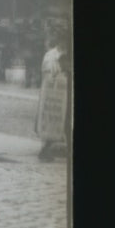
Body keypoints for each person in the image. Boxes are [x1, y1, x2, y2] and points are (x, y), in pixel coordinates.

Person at [36, 30, 72, 160]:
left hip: (65, 92)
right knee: (55, 121)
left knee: (66, 120)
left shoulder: (67, 54)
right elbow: (47, 74)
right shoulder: (50, 56)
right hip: (55, 94)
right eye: (64, 42)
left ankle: (67, 148)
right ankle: (45, 150)